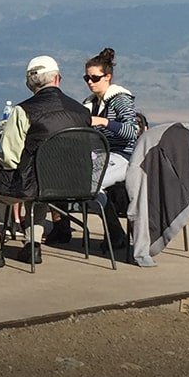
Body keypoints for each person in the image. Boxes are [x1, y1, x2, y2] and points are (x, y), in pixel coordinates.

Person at [0, 55, 91, 268]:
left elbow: (10, 158)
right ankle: (33, 246)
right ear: (58, 79)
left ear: (29, 83)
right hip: (76, 184)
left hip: (36, 183)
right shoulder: (82, 111)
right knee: (40, 177)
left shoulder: (23, 111)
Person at [46, 47, 138, 247]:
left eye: (94, 78)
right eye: (86, 78)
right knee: (55, 174)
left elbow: (133, 131)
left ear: (108, 77)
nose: (90, 82)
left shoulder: (120, 100)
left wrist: (104, 122)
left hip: (123, 156)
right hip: (97, 155)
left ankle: (115, 234)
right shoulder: (90, 103)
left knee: (90, 186)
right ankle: (61, 228)